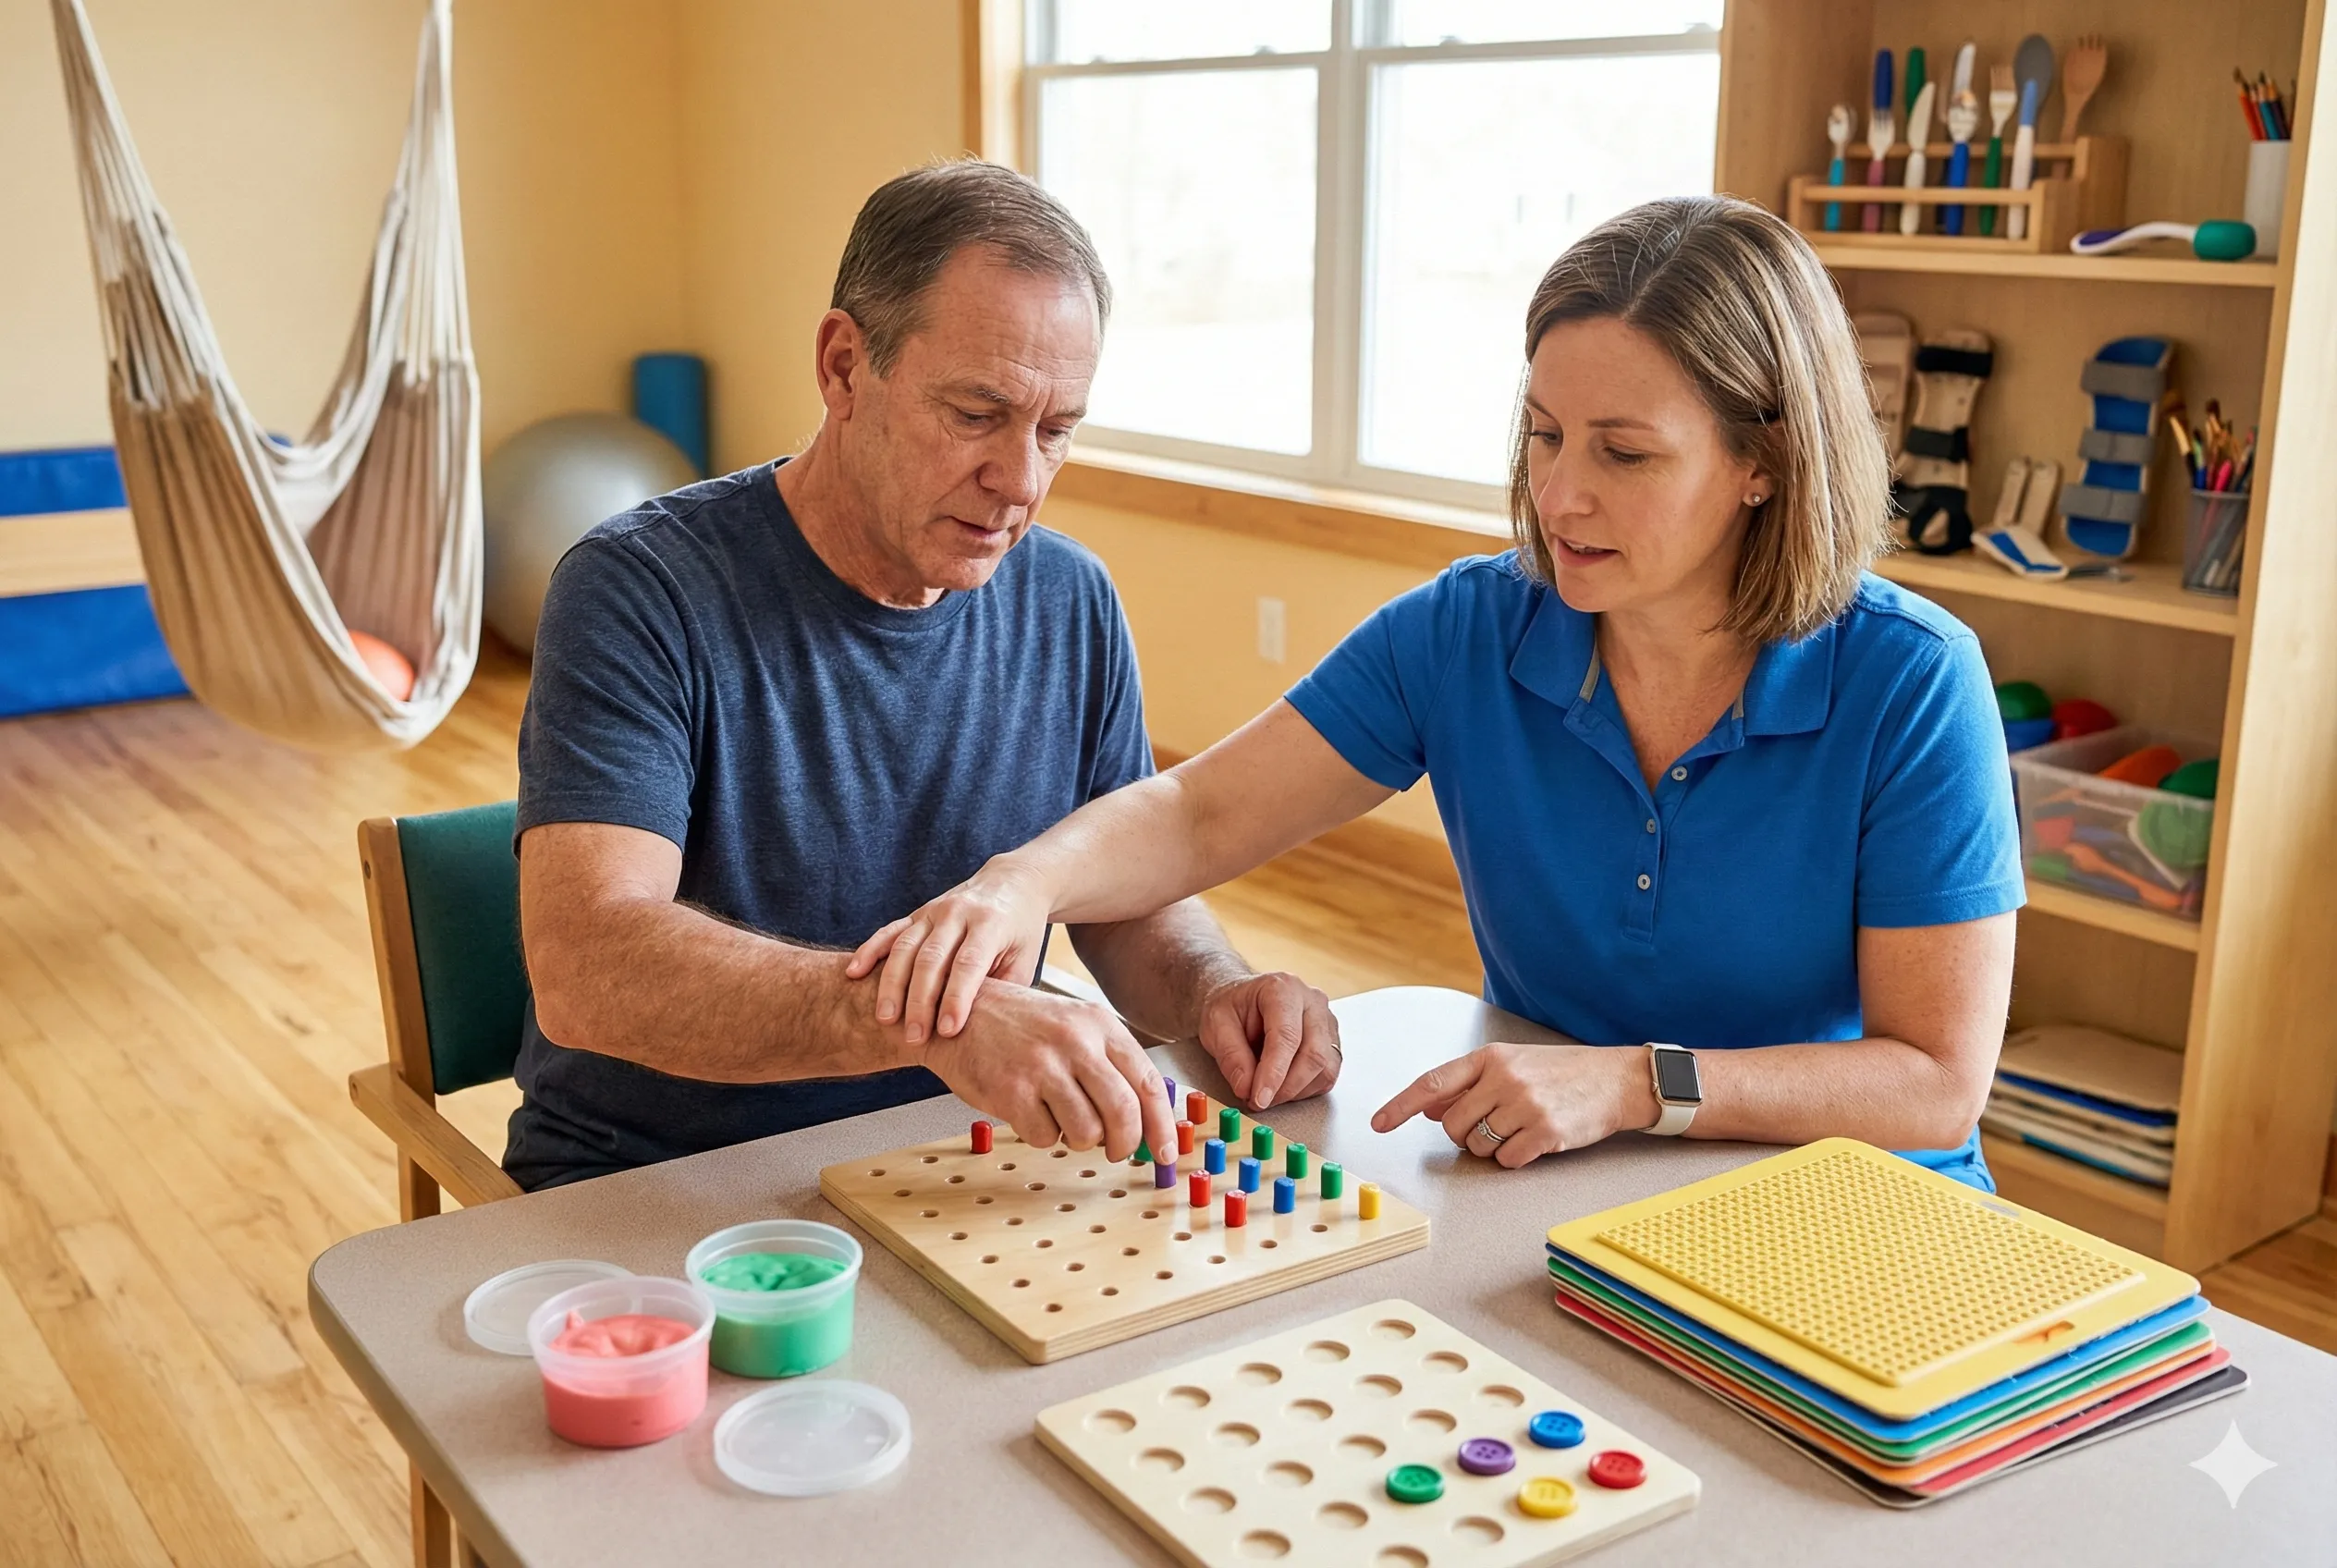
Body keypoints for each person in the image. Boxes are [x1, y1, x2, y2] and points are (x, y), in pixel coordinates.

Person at [850, 195, 2023, 1192]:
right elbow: (1199, 813)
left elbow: (1931, 1082)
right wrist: (1020, 886)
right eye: (1542, 435)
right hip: (1563, 1184)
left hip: (1845, 1201)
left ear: (1761, 460)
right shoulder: (1473, 626)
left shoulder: (1909, 679)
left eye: (1622, 453)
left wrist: (1629, 1081)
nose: (1558, 496)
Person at [506, 160, 1338, 1191]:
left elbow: (1122, 902)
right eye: (976, 413)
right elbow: (591, 969)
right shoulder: (638, 590)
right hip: (660, 1182)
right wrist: (933, 1019)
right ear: (845, 366)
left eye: (1055, 429)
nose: (1020, 481)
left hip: (962, 1164)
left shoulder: (1069, 598)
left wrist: (1215, 989)